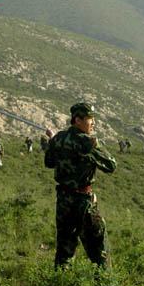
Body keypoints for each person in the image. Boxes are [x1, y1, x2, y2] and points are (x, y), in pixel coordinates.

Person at [44, 103, 116, 271]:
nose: (93, 123)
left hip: (63, 201)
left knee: (65, 249)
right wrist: (96, 146)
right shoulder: (88, 142)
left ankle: (60, 283)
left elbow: (49, 162)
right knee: (100, 251)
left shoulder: (59, 139)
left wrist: (54, 141)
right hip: (83, 202)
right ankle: (105, 285)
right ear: (78, 120)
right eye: (90, 119)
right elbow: (111, 165)